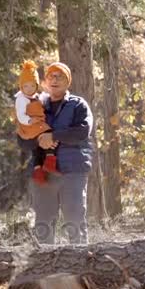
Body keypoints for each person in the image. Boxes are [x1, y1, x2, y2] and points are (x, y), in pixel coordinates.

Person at [18, 62, 94, 244]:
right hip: (43, 173)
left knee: (74, 219)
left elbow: (83, 131)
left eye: (60, 76)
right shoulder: (35, 106)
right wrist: (38, 140)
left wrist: (54, 136)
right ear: (44, 81)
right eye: (51, 75)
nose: (55, 79)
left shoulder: (78, 105)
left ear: (68, 82)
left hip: (72, 171)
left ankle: (81, 264)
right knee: (43, 223)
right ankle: (45, 267)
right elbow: (22, 140)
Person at [14, 60, 58, 185]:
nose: (29, 89)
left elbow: (44, 99)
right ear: (21, 86)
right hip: (29, 126)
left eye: (33, 86)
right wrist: (29, 120)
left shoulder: (37, 96)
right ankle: (50, 159)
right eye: (26, 86)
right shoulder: (21, 99)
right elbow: (20, 115)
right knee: (49, 133)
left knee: (37, 148)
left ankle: (38, 170)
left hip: (33, 127)